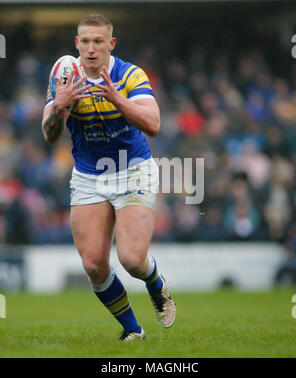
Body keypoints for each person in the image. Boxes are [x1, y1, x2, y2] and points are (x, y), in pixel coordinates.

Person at [41, 13, 175, 341]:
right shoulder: (63, 74)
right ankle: (133, 330)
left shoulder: (129, 75)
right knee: (94, 265)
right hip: (89, 175)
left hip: (132, 170)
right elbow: (49, 134)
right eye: (84, 41)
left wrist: (118, 100)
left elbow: (154, 124)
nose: (91, 48)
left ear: (110, 44)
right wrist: (58, 108)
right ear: (77, 44)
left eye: (98, 41)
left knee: (131, 259)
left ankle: (156, 284)